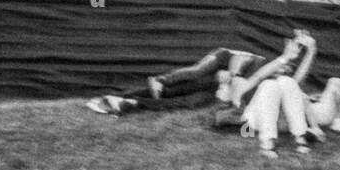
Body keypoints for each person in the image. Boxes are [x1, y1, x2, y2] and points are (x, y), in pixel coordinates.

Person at [85, 47, 267, 116]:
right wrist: (233, 74)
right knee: (197, 72)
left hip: (217, 85)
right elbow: (244, 59)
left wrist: (225, 94)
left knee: (190, 100)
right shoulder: (264, 64)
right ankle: (160, 79)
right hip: (225, 58)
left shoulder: (262, 94)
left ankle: (126, 101)